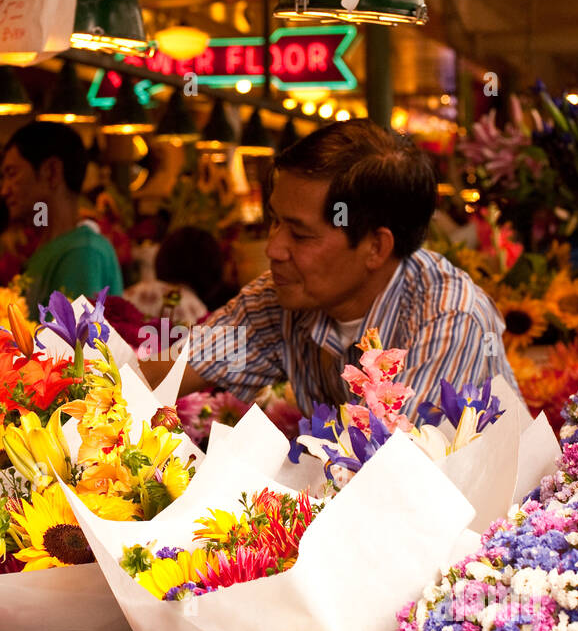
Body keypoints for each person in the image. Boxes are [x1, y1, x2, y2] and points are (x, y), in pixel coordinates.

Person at [143, 117, 523, 417]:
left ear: (375, 247)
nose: (274, 249)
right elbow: (172, 369)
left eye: (301, 235)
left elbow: (397, 475)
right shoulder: (279, 300)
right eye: (275, 221)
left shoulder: (447, 320)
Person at [0, 122, 123, 317]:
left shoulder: (82, 252)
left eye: (12, 174)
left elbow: (73, 344)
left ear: (51, 172)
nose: (4, 190)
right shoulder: (54, 248)